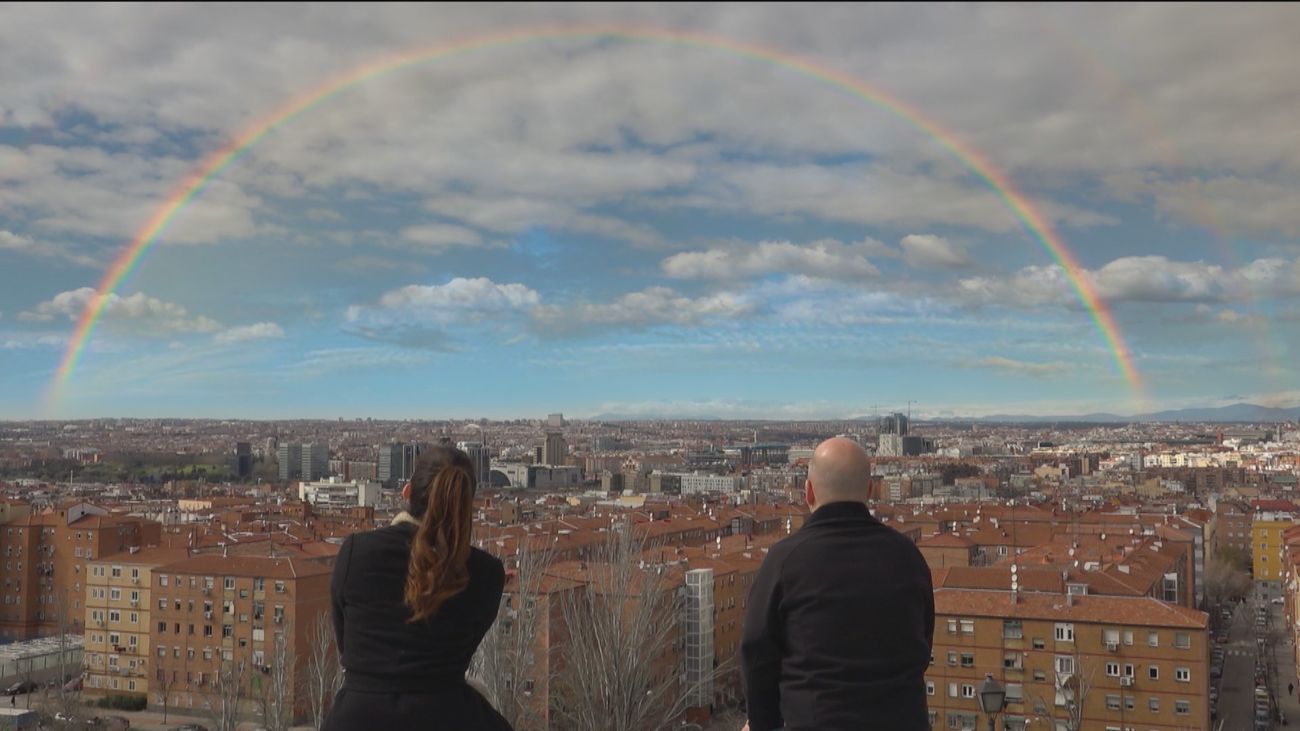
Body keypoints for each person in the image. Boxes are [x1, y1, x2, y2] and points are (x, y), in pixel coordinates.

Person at [740, 437, 934, 731]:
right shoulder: (909, 558)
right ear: (870, 491)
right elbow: (922, 643)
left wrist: (762, 724)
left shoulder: (784, 561)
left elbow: (757, 657)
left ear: (808, 492)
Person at [322, 445, 512, 731]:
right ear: (465, 504)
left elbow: (345, 642)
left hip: (357, 718)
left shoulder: (356, 554)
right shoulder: (486, 574)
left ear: (407, 493)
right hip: (449, 716)